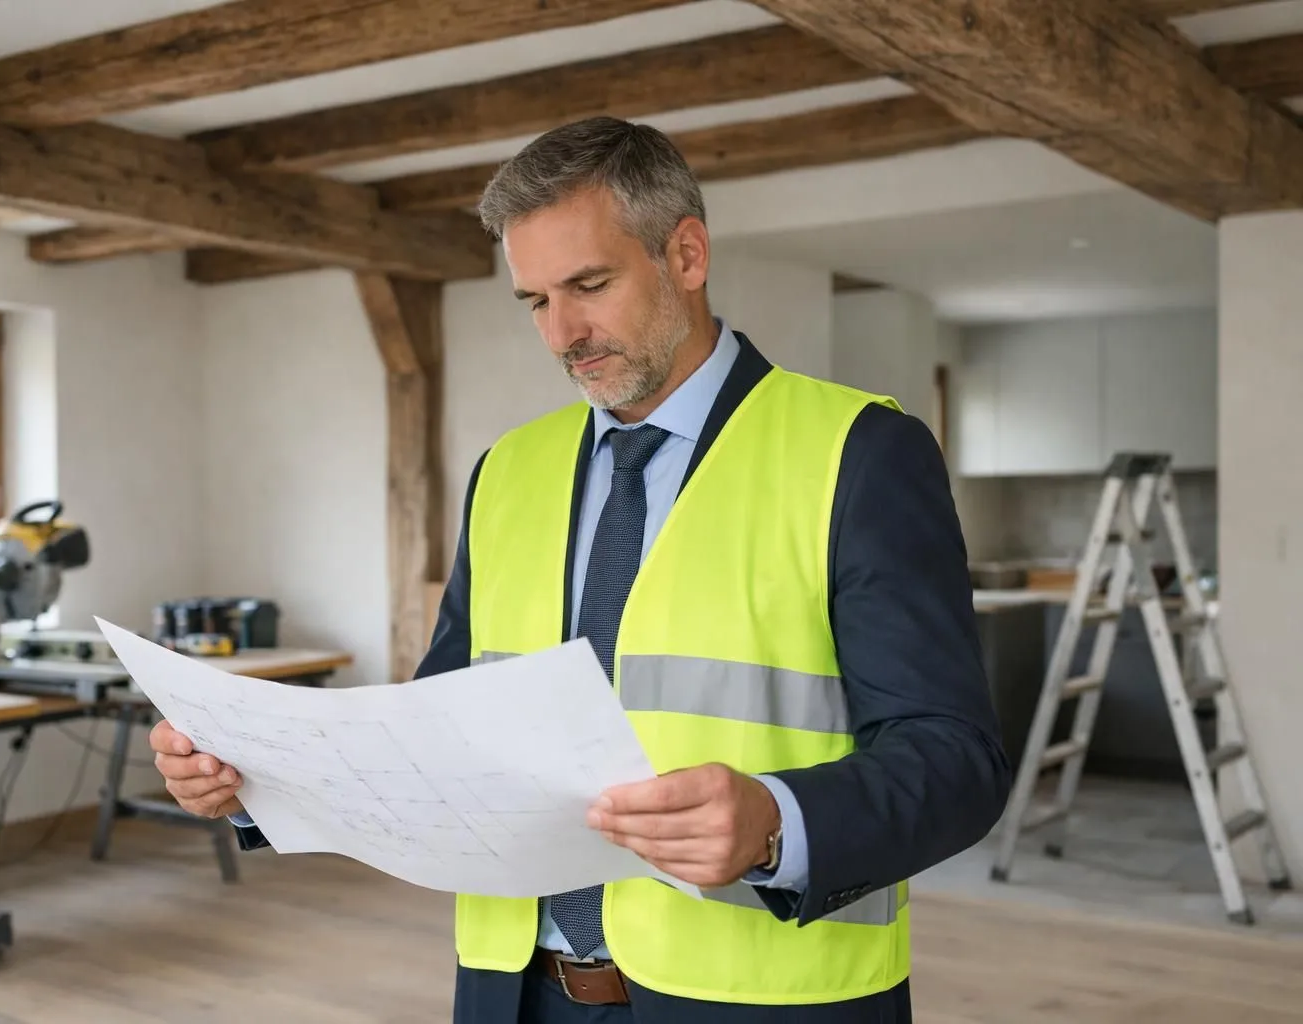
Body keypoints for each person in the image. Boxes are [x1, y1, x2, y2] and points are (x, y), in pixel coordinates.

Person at [149, 117, 1011, 1023]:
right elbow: (434, 734)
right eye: (534, 301)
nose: (564, 332)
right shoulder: (508, 471)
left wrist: (774, 824)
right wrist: (255, 780)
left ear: (686, 254)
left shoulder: (860, 454)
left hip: (762, 998)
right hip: (516, 995)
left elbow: (956, 760)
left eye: (589, 285)